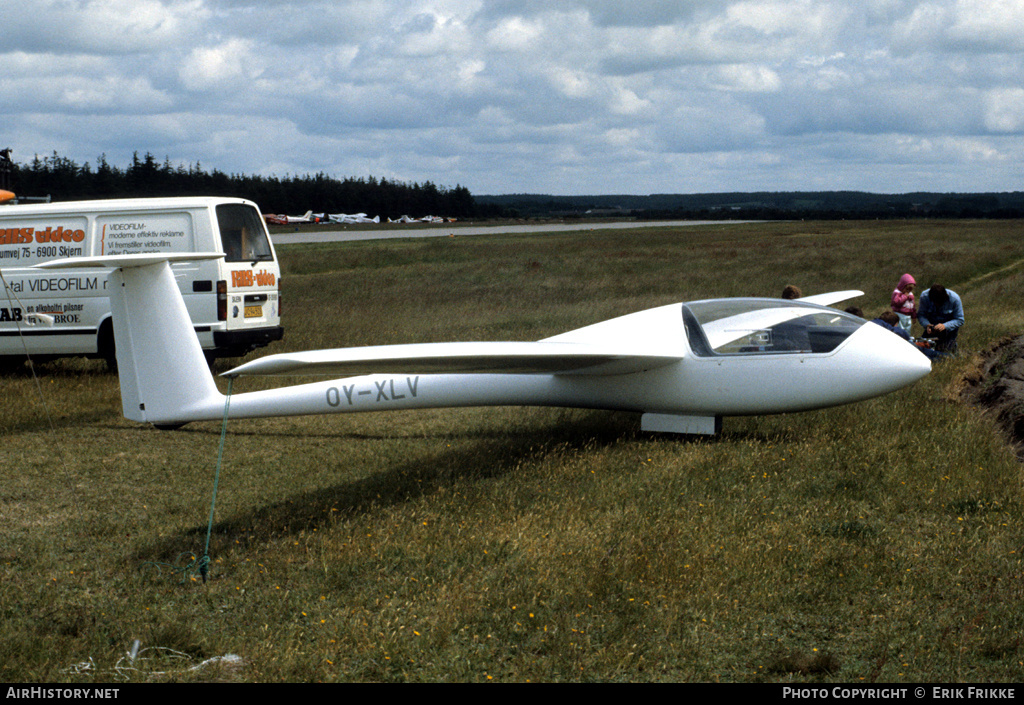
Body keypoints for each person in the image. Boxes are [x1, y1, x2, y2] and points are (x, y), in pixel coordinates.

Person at [871, 311, 943, 361]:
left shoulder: (874, 323)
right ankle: (945, 357)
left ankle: (942, 358)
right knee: (924, 352)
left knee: (923, 353)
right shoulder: (881, 325)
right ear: (895, 324)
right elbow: (902, 333)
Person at [917, 285, 964, 353]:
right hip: (931, 329)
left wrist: (945, 326)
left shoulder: (955, 299)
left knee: (946, 352)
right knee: (921, 349)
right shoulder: (924, 297)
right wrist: (927, 325)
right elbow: (921, 315)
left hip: (949, 330)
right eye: (935, 303)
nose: (937, 305)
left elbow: (960, 319)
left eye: (940, 303)